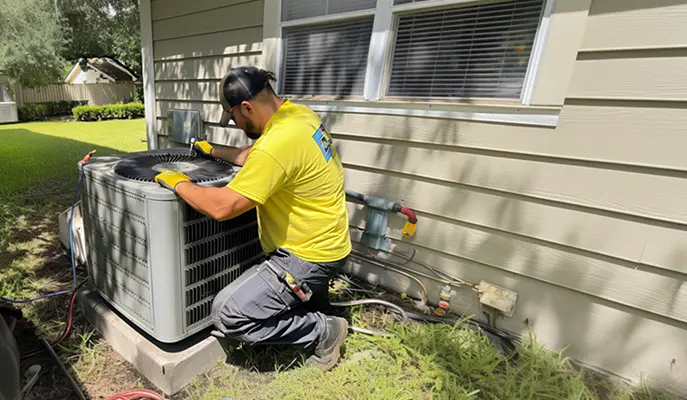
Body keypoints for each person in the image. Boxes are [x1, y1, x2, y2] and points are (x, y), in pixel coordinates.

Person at [153, 65, 352, 371]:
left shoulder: (279, 143)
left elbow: (223, 207)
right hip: (330, 242)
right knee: (303, 299)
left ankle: (324, 330)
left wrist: (177, 182)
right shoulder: (297, 115)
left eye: (234, 117)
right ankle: (317, 308)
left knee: (228, 314)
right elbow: (253, 156)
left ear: (246, 107)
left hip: (305, 257)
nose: (234, 123)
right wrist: (212, 149)